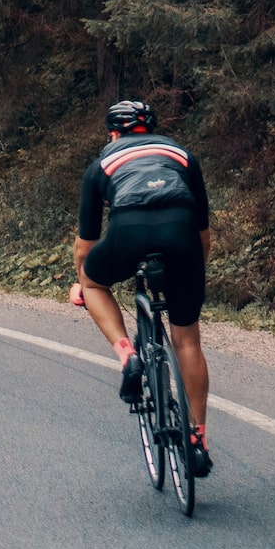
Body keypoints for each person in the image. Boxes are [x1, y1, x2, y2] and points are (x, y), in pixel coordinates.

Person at [71, 99, 214, 477]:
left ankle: (127, 355)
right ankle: (198, 439)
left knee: (93, 281)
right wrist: (193, 272)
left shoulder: (101, 165)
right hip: (182, 235)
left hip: (127, 230)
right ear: (152, 129)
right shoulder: (182, 156)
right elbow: (204, 235)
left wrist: (81, 281)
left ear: (112, 134)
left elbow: (85, 247)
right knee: (187, 341)